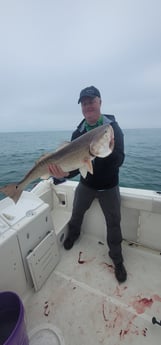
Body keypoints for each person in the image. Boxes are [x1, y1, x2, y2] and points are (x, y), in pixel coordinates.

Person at [48, 86, 127, 283]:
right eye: (84, 103)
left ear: (100, 102)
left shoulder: (113, 129)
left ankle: (117, 258)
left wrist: (107, 151)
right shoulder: (78, 133)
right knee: (76, 213)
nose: (88, 106)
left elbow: (119, 161)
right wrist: (61, 175)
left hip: (109, 186)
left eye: (91, 101)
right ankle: (73, 235)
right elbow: (75, 167)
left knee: (114, 223)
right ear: (81, 108)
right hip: (86, 185)